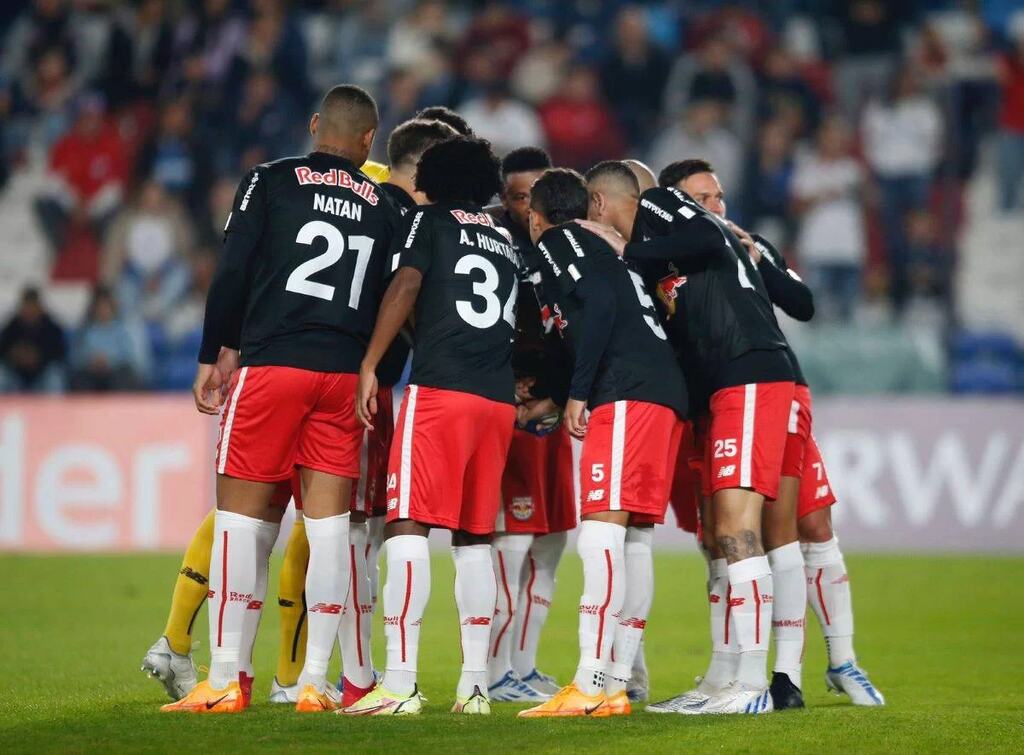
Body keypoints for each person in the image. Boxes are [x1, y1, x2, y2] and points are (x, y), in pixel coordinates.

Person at [161, 84, 401, 714]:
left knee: (241, 525)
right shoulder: (385, 205)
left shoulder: (269, 180)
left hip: (274, 366)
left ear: (315, 124)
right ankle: (314, 684)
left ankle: (225, 681)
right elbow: (392, 297)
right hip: (343, 379)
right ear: (369, 141)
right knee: (327, 533)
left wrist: (216, 350)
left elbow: (234, 267)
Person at [644, 160, 883, 712]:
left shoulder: (739, 244)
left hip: (764, 387)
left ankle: (785, 674)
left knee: (790, 528)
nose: (715, 206)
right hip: (713, 400)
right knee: (725, 536)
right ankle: (736, 675)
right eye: (701, 197)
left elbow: (801, 303)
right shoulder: (670, 252)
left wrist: (757, 254)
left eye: (719, 195)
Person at [581, 164, 797, 716]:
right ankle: (726, 678)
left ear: (603, 204)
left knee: (738, 529)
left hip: (747, 371)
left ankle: (752, 684)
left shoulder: (658, 208)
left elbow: (707, 233)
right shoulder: (659, 259)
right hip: (722, 388)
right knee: (717, 533)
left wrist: (627, 254)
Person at [345, 136, 519, 716]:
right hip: (496, 401)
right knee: (474, 538)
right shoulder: (503, 236)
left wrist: (370, 362)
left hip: (441, 391)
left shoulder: (428, 221)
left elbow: (409, 283)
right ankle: (474, 686)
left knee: (408, 526)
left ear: (435, 180)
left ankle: (399, 683)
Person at [519, 169, 686, 719]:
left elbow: (598, 308)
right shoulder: (608, 251)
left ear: (535, 217)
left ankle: (591, 683)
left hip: (626, 393)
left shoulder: (562, 240)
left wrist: (579, 395)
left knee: (599, 533)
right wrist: (563, 392)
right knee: (634, 536)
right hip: (661, 392)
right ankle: (614, 683)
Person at [485, 147, 575, 702]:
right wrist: (515, 388)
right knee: (511, 542)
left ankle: (523, 665)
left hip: (553, 411)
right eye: (520, 196)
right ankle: (495, 672)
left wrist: (556, 396)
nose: (531, 205)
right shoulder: (496, 245)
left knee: (552, 540)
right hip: (512, 413)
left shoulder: (567, 247)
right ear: (505, 200)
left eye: (538, 194)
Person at [0, 286, 67, 393]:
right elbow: (3, 351)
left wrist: (39, 357)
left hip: (42, 374)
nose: (30, 310)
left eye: (33, 306)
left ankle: (55, 408)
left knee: (55, 377)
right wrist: (15, 355)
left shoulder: (51, 327)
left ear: (39, 307)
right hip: (16, 375)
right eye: (27, 306)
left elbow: (60, 354)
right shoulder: (12, 326)